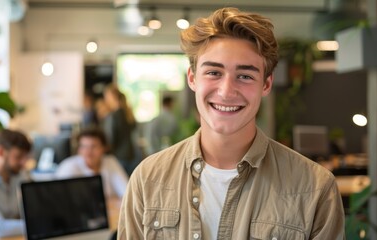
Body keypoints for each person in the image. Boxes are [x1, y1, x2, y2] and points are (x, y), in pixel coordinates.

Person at [118, 7, 345, 239]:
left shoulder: (315, 187)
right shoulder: (148, 179)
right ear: (192, 78)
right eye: (214, 73)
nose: (226, 92)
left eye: (245, 76)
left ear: (265, 85)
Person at [55, 128, 128, 199]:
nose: (88, 152)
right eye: (83, 147)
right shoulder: (69, 166)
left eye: (93, 146)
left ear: (104, 148)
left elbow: (126, 192)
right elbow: (59, 197)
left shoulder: (110, 162)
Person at [103, 83, 137, 175]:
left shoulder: (113, 116)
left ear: (111, 97)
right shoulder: (128, 113)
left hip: (118, 157)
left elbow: (111, 139)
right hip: (131, 155)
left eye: (106, 96)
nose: (105, 99)